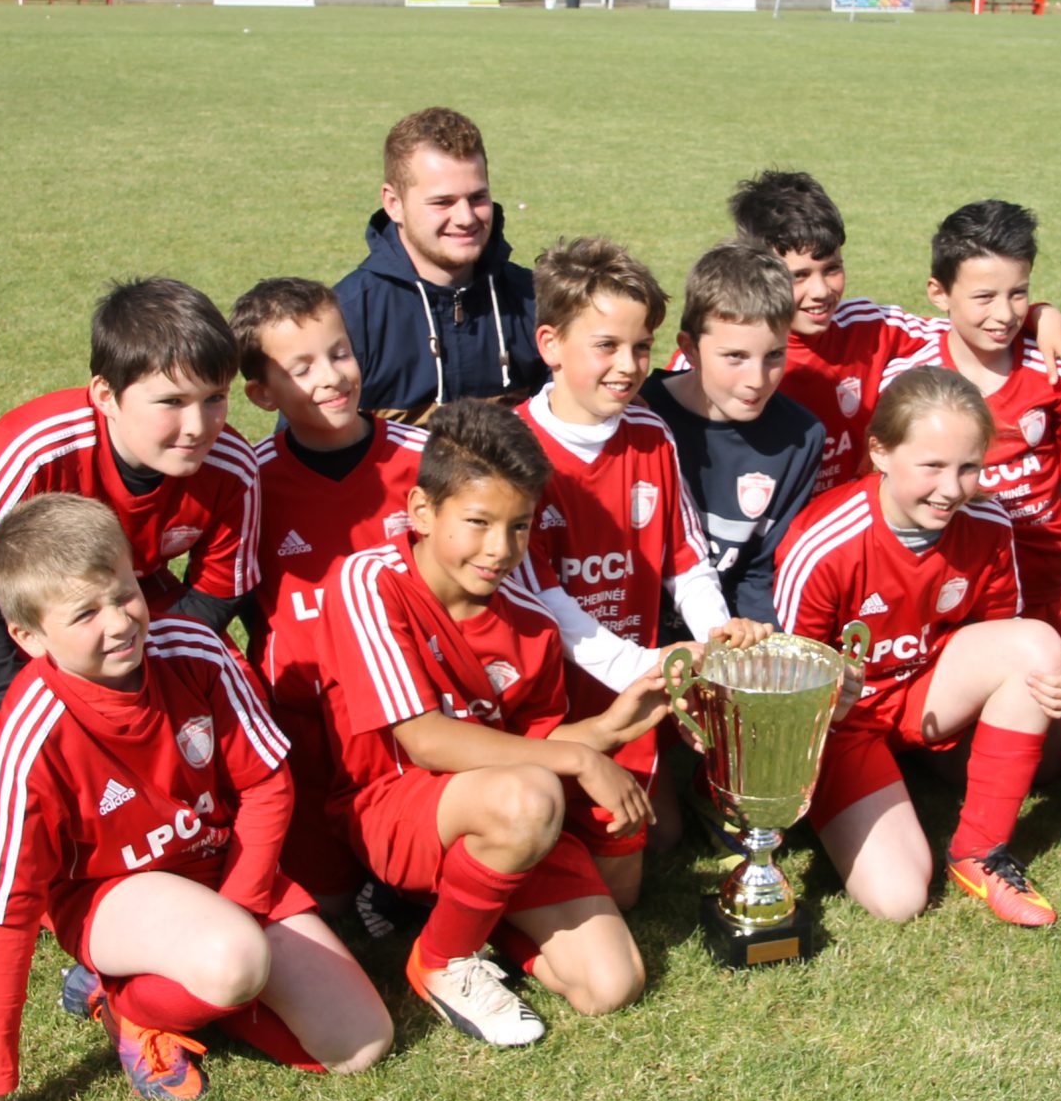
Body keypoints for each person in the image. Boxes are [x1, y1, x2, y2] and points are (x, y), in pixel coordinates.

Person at [0, 495, 389, 1101]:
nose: (119, 623)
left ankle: (184, 989)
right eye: (85, 613)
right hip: (113, 896)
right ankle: (130, 1006)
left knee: (360, 1045)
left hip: (220, 873)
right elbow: (4, 916)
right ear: (28, 638)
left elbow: (265, 784)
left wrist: (244, 901)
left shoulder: (195, 651)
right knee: (234, 958)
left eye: (125, 594)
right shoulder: (28, 737)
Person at [0, 278, 259, 1003]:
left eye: (215, 398)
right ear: (105, 395)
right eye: (171, 402)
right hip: (6, 611)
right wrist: (42, 704)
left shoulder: (232, 465)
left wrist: (149, 676)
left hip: (135, 595)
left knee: (168, 745)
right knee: (26, 776)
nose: (198, 425)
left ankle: (160, 885)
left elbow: (216, 589)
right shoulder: (35, 448)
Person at [312, 401, 660, 1046]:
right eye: (478, 522)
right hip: (392, 805)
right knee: (528, 797)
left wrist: (612, 727)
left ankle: (463, 906)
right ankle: (442, 959)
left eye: (519, 526)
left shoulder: (529, 615)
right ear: (422, 511)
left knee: (610, 985)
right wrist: (582, 759)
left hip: (504, 806)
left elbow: (534, 742)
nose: (501, 549)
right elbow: (425, 739)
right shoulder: (369, 582)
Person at [773, 367, 1061, 927]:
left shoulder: (987, 521)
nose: (952, 489)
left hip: (927, 692)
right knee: (899, 899)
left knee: (1038, 654)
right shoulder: (824, 542)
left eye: (969, 467)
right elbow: (786, 684)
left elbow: (999, 638)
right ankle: (854, 792)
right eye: (932, 466)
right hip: (844, 724)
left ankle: (979, 851)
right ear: (880, 451)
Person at [516, 237, 772, 909]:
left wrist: (716, 637)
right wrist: (639, 666)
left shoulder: (651, 434)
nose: (629, 366)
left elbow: (685, 559)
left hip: (631, 696)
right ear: (550, 344)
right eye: (606, 345)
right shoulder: (515, 449)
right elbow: (542, 598)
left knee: (642, 865)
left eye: (641, 347)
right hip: (546, 707)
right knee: (550, 848)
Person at [706, 170, 1061, 495]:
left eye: (832, 268)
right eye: (799, 276)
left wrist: (1040, 314)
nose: (821, 290)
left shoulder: (871, 327)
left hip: (852, 523)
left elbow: (967, 324)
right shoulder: (724, 349)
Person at [230, 275, 425, 914]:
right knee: (331, 905)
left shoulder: (426, 461)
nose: (333, 376)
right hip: (305, 731)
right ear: (261, 393)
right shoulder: (250, 483)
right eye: (302, 367)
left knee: (421, 884)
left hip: (414, 723)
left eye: (340, 353)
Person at [896, 201, 1061, 631]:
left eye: (1018, 294)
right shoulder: (910, 378)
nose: (1004, 314)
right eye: (984, 297)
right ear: (939, 293)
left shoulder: (1056, 369)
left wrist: (1043, 312)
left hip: (1045, 570)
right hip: (950, 567)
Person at [640, 241, 824, 626]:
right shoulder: (642, 413)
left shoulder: (801, 437)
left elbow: (758, 571)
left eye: (774, 355)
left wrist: (758, 645)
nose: (757, 379)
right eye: (736, 357)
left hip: (723, 629)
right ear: (689, 348)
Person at [335, 107, 545, 422]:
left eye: (477, 198)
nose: (465, 218)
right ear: (394, 203)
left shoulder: (536, 301)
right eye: (443, 202)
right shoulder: (347, 317)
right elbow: (306, 444)